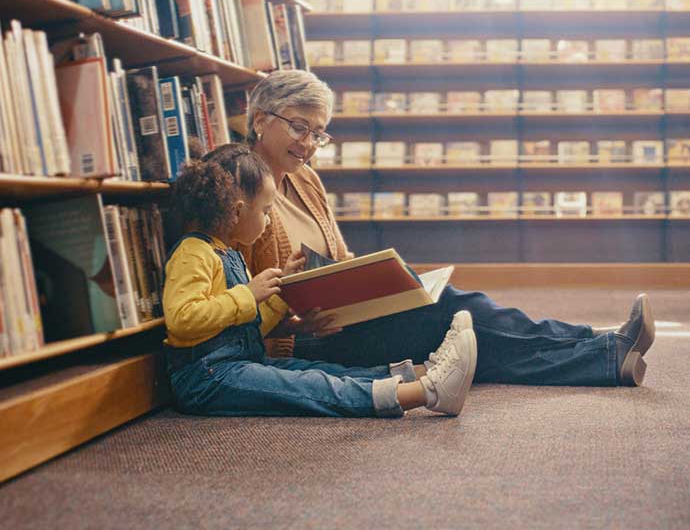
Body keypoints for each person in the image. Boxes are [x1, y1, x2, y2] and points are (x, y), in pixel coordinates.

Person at [236, 70, 656, 388]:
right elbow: (239, 309)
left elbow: (338, 261)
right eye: (298, 127)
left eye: (318, 133)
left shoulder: (305, 179)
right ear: (259, 120)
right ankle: (595, 344)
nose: (308, 143)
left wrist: (374, 285)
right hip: (305, 342)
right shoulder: (236, 186)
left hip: (348, 319)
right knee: (456, 311)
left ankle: (605, 357)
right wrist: (296, 324)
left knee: (466, 339)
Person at [162, 142, 478, 419]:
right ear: (236, 212)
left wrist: (279, 295)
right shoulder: (193, 253)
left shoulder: (229, 254)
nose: (269, 219)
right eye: (266, 210)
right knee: (310, 386)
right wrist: (248, 294)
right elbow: (181, 319)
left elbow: (245, 328)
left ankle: (418, 373)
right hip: (207, 378)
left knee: (318, 371)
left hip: (240, 362)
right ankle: (427, 393)